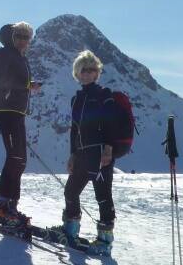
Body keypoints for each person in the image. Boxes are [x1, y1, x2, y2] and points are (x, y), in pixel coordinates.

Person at [61, 49, 116, 256]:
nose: (87, 73)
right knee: (70, 191)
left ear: (97, 72)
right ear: (77, 73)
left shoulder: (104, 95)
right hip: (82, 155)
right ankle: (71, 229)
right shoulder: (76, 99)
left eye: (91, 69)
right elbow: (74, 130)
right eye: (83, 70)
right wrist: (72, 154)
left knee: (103, 197)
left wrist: (108, 148)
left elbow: (111, 123)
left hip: (100, 154)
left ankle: (105, 241)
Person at [0, 21, 40, 228]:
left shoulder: (21, 59)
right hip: (5, 110)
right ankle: (1, 204)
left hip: (17, 112)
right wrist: (27, 85)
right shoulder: (3, 55)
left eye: (26, 37)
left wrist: (28, 85)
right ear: (11, 37)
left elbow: (15, 81)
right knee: (15, 157)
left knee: (20, 160)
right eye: (18, 36)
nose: (22, 40)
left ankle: (11, 204)